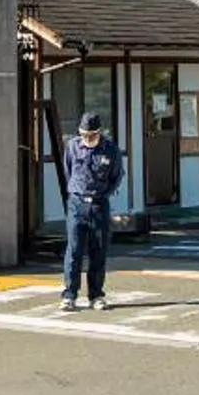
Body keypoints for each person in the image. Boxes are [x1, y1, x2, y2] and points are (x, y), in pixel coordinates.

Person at [60, 112, 125, 312]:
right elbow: (68, 170)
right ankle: (69, 295)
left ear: (99, 133)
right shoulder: (72, 146)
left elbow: (116, 176)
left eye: (92, 136)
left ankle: (96, 295)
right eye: (84, 135)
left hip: (99, 204)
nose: (88, 139)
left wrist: (104, 193)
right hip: (76, 203)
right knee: (74, 250)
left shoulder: (110, 150)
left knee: (98, 251)